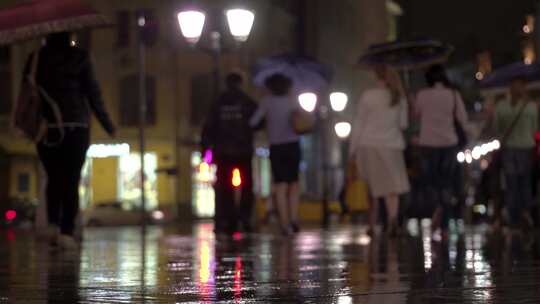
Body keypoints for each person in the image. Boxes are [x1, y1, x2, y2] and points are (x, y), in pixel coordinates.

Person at [27, 32, 116, 249]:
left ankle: (52, 225)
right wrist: (107, 124)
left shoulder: (36, 57)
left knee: (54, 177)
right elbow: (93, 94)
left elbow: (27, 92)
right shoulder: (80, 57)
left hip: (46, 128)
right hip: (76, 127)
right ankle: (66, 232)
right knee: (70, 178)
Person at [348, 65, 410, 237]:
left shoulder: (368, 96)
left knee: (372, 187)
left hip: (369, 145)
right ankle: (392, 219)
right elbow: (403, 124)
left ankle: (372, 224)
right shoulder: (399, 97)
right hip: (392, 146)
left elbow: (359, 123)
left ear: (377, 76)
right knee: (392, 188)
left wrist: (352, 150)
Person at [201, 73, 258, 235]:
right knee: (247, 186)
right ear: (241, 83)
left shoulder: (218, 102)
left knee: (223, 187)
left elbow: (209, 126)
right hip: (243, 150)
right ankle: (244, 218)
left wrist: (205, 150)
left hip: (222, 150)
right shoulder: (247, 101)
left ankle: (225, 220)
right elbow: (258, 121)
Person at [415, 65, 468, 238]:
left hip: (428, 144)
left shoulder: (422, 95)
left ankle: (436, 208)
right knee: (446, 184)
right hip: (448, 143)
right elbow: (462, 118)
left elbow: (416, 114)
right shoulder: (453, 95)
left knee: (431, 183)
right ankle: (445, 226)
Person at [250, 74, 301, 235]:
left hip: (276, 147)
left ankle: (284, 223)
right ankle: (294, 219)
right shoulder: (292, 101)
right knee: (293, 184)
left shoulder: (267, 102)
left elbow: (253, 122)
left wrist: (267, 122)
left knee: (280, 186)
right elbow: (304, 119)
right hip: (293, 145)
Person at [493, 77, 538, 231]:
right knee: (523, 183)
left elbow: (497, 128)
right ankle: (525, 214)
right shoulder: (531, 107)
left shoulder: (501, 106)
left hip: (510, 148)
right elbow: (535, 129)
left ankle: (514, 218)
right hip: (525, 148)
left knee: (512, 184)